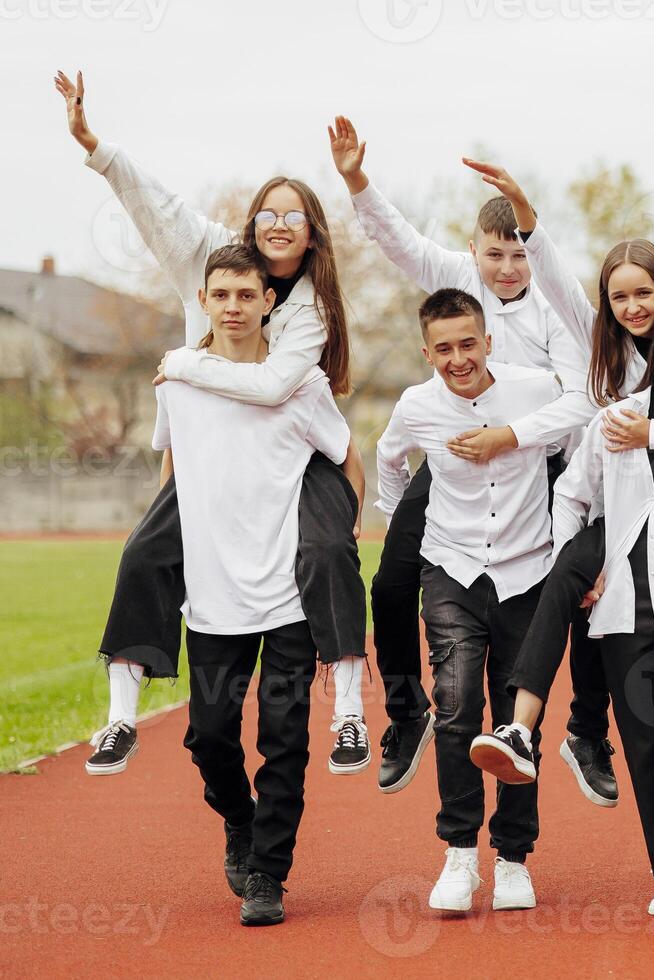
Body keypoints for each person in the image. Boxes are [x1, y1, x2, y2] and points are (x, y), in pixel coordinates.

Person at [54, 71, 370, 777]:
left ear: (312, 234)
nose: (280, 223)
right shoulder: (211, 259)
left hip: (294, 455)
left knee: (325, 555)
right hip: (209, 454)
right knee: (143, 555)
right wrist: (95, 146)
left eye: (296, 215)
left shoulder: (307, 310)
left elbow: (272, 387)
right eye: (269, 212)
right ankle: (119, 719)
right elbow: (156, 205)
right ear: (251, 223)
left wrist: (184, 363)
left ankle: (350, 710)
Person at [455, 159, 654, 810]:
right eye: (619, 296)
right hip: (616, 513)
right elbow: (558, 279)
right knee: (573, 574)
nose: (632, 307)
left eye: (644, 293)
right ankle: (523, 727)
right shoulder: (600, 340)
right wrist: (523, 209)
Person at [329, 116, 601, 794]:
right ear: (473, 251)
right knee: (391, 582)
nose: (507, 269)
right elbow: (395, 238)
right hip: (455, 460)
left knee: (591, 589)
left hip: (541, 463)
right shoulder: (453, 274)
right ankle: (405, 712)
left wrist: (513, 436)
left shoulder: (555, 305)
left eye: (518, 255)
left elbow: (579, 400)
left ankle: (588, 734)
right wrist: (357, 179)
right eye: (494, 255)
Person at [480, 294, 654, 920]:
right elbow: (573, 494)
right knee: (646, 743)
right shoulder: (616, 418)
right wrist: (585, 563)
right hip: (624, 605)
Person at [164, 244, 363, 927]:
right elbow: (169, 477)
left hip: (286, 599)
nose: (233, 306)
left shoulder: (301, 385)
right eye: (220, 295)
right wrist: (158, 559)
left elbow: (347, 461)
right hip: (211, 596)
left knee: (285, 740)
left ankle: (268, 875)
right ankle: (240, 822)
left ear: (268, 302)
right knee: (208, 736)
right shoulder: (179, 383)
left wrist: (338, 537)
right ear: (204, 301)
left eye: (246, 295)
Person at [376, 289, 566, 913]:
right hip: (452, 569)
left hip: (527, 571)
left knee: (517, 717)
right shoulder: (416, 405)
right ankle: (460, 854)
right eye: (444, 348)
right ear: (426, 351)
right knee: (456, 704)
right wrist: (403, 510)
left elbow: (587, 411)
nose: (458, 359)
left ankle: (513, 858)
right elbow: (388, 457)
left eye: (468, 343)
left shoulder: (536, 388)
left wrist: (510, 437)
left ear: (489, 341)